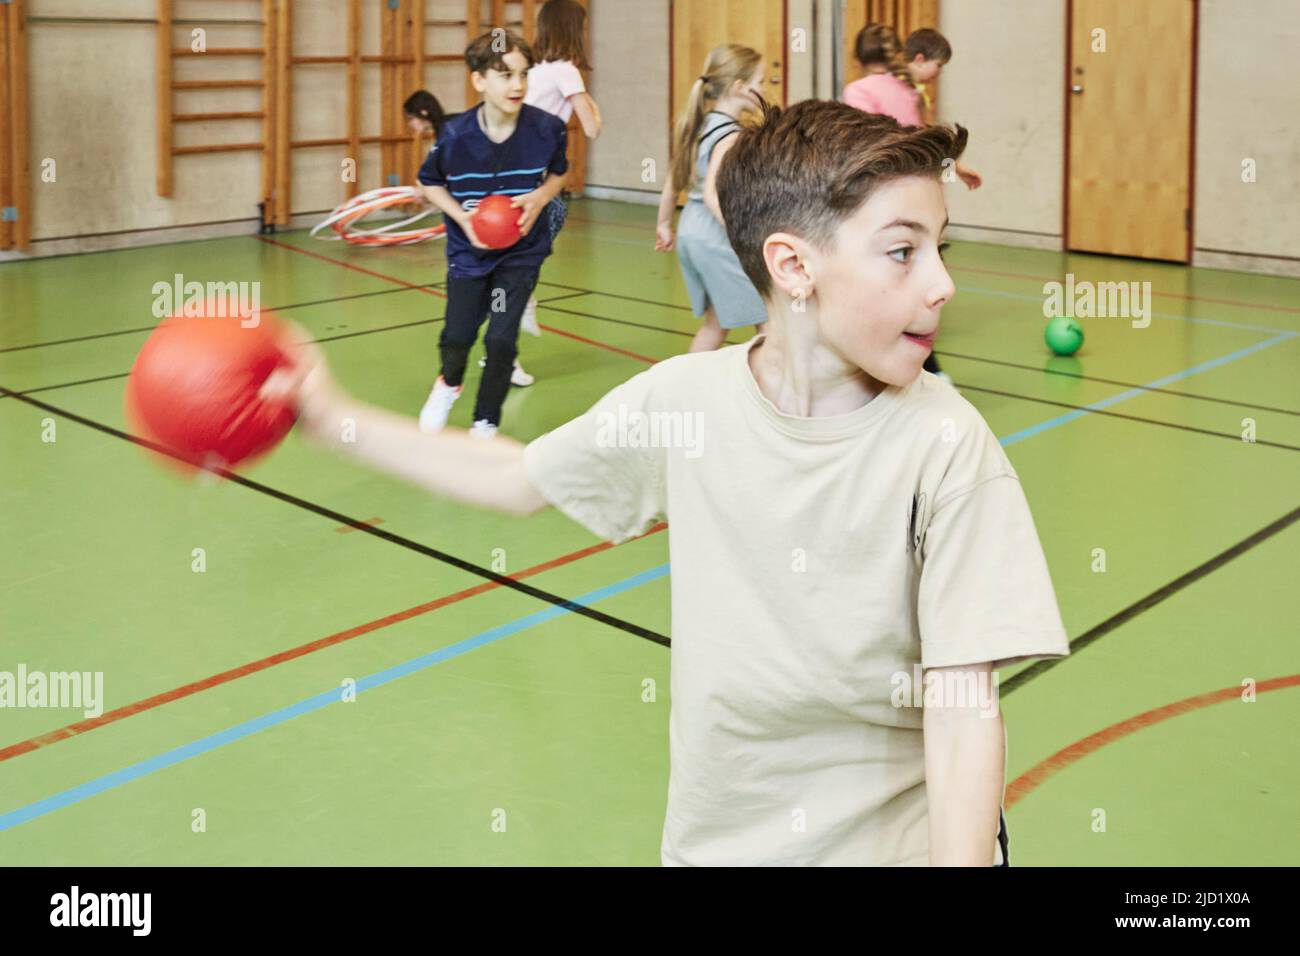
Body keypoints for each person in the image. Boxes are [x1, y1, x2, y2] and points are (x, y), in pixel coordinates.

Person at [264, 98, 1069, 866]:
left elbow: (965, 712)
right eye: (903, 250)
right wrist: (331, 414)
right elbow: (518, 479)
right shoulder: (685, 402)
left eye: (940, 248)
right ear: (792, 265)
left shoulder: (947, 444)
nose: (941, 284)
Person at [413, 31, 568, 436]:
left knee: (501, 339)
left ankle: (486, 419)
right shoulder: (455, 135)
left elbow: (560, 174)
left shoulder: (548, 129)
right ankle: (448, 383)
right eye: (504, 75)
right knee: (458, 336)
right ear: (478, 80)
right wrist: (462, 220)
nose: (518, 85)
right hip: (469, 254)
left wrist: (540, 197)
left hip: (521, 253)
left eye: (523, 74)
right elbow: (429, 182)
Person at [655, 44, 768, 352]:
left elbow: (672, 180)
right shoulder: (732, 135)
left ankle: (687, 386)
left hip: (691, 231)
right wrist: (743, 234)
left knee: (716, 324)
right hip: (717, 237)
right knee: (769, 321)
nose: (763, 89)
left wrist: (664, 224)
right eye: (760, 82)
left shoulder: (699, 125)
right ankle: (773, 389)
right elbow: (711, 195)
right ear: (740, 88)